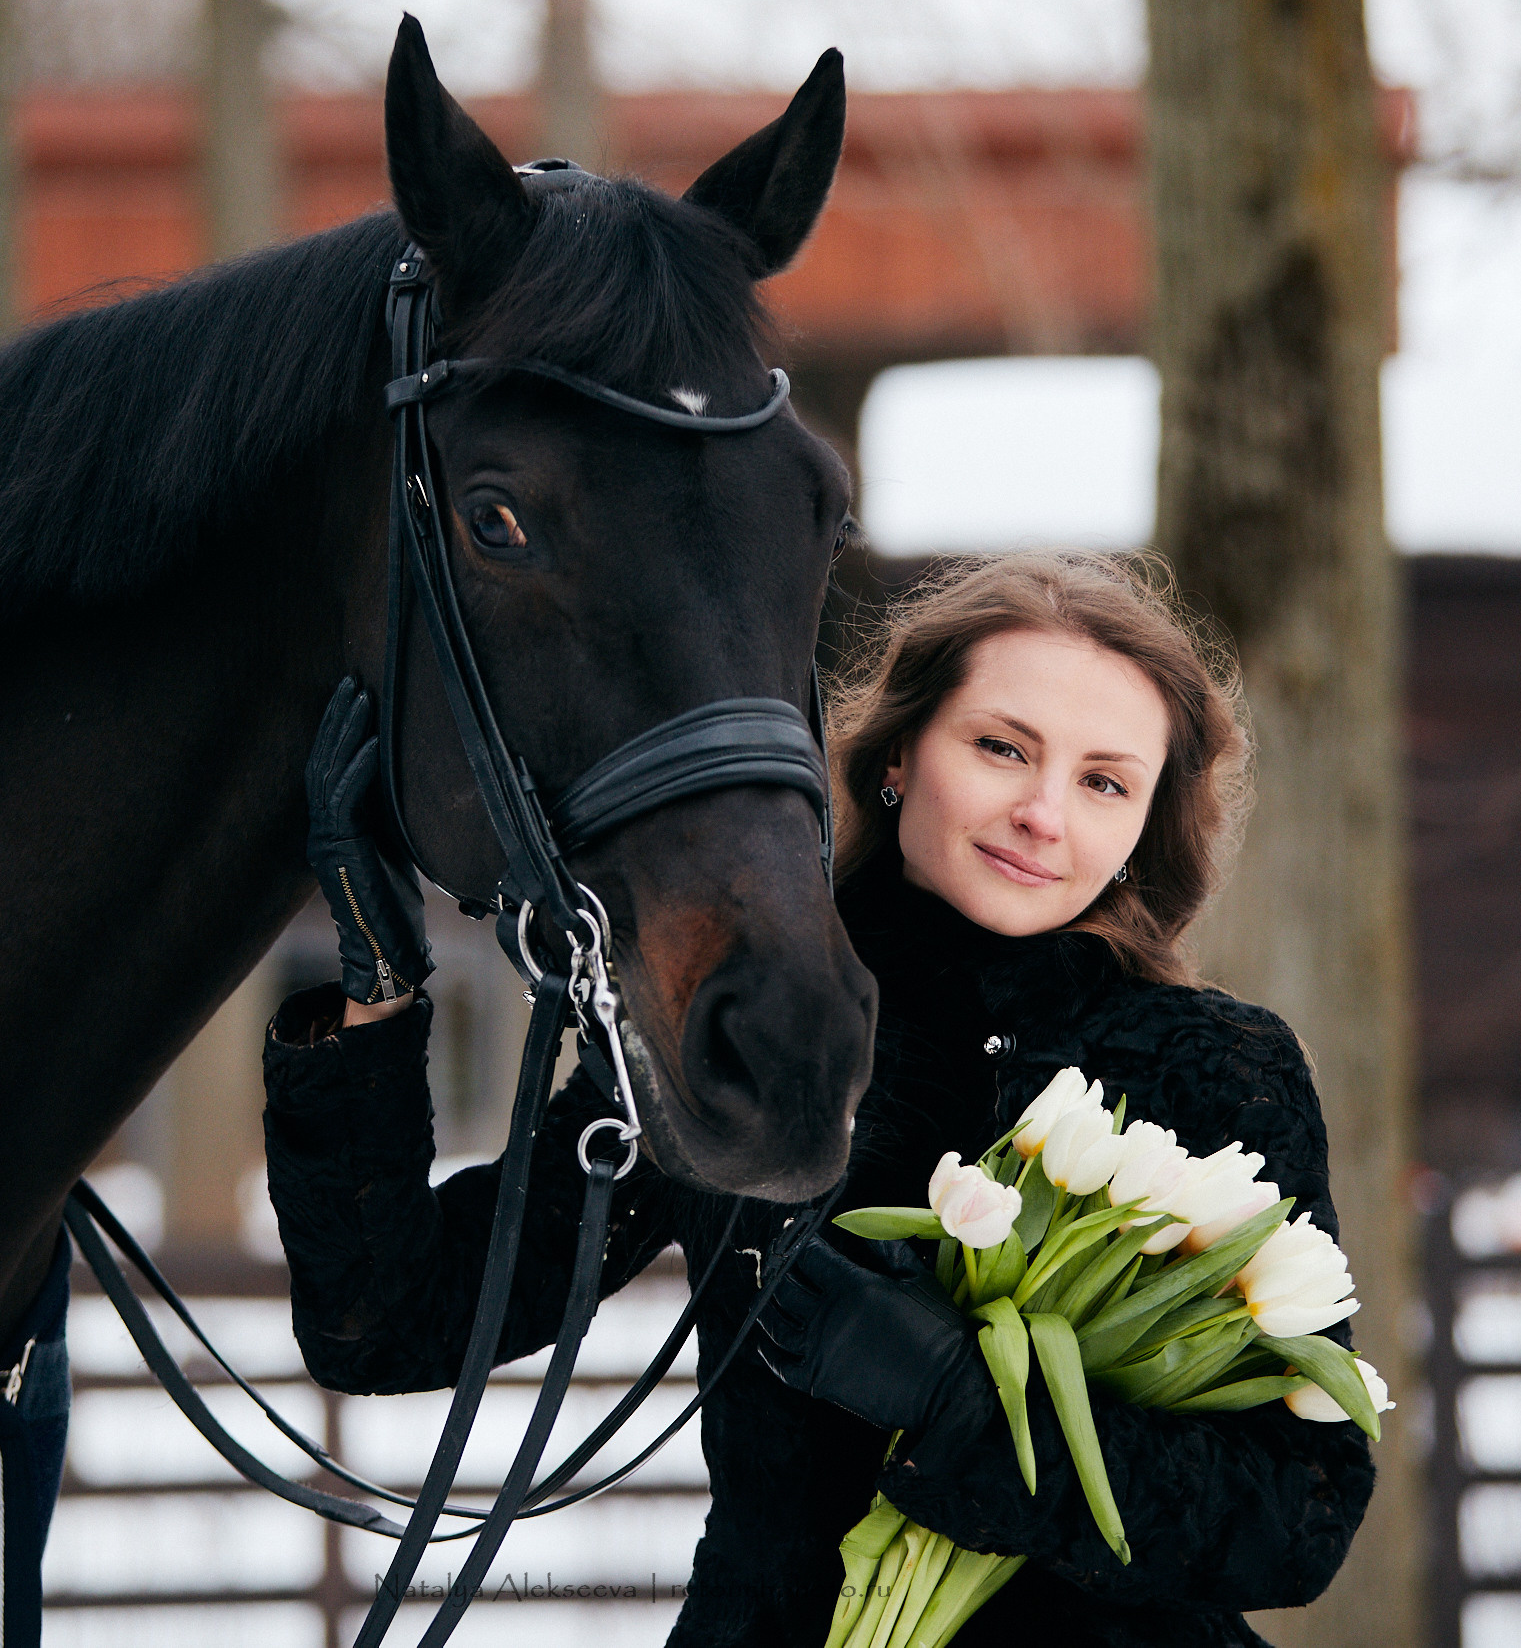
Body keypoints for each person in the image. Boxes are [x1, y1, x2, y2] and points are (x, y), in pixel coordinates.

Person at [261, 550, 1375, 1647]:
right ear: (896, 756)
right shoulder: (743, 1021)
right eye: (1001, 748)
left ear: (1143, 827)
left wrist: (957, 1400)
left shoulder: (1215, 1064)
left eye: (1102, 781)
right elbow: (391, 1323)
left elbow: (1294, 1516)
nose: (1043, 813)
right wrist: (378, 992)